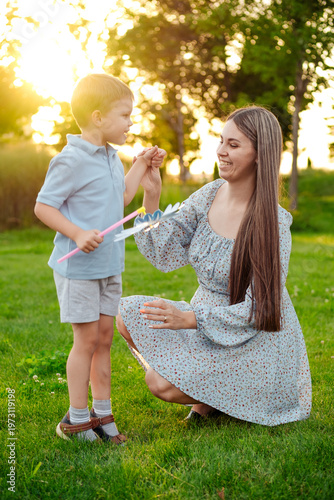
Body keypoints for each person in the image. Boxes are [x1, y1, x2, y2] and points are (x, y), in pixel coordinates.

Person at [116, 106, 312, 426]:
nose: (221, 151)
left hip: (253, 343)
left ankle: (219, 399)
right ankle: (212, 399)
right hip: (204, 327)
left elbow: (262, 309)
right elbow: (166, 250)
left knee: (159, 383)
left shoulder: (272, 223)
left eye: (234, 145)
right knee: (125, 315)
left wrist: (188, 318)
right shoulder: (209, 194)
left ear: (260, 154)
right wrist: (152, 194)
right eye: (221, 141)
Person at [34, 73, 166, 443]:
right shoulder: (71, 158)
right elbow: (43, 207)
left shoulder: (110, 155)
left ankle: (103, 416)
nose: (131, 122)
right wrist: (76, 232)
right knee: (86, 340)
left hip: (109, 265)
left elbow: (121, 198)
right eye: (125, 115)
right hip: (79, 267)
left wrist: (141, 163)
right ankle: (76, 420)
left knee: (104, 338)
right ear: (97, 118)